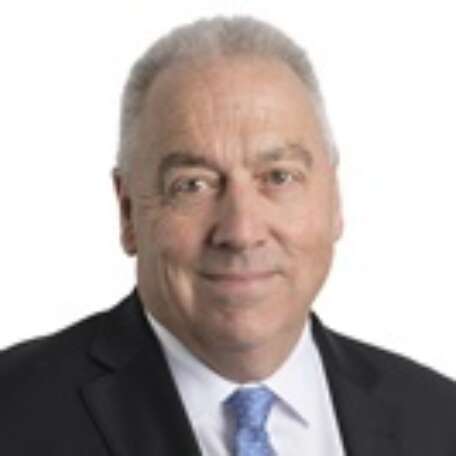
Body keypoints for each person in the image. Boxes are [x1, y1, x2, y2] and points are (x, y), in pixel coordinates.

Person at [1, 15, 455, 456]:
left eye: (279, 177)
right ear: (128, 212)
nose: (241, 232)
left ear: (334, 201)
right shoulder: (13, 412)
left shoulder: (440, 418)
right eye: (193, 185)